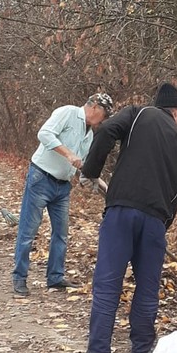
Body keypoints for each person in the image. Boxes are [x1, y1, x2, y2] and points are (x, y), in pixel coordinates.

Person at [77, 82, 177, 353]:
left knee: (108, 280)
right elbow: (176, 188)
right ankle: (141, 350)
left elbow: (104, 132)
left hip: (122, 210)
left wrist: (91, 170)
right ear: (176, 112)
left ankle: (99, 350)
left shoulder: (138, 114)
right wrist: (165, 223)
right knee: (148, 287)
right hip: (155, 219)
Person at [12, 93, 113, 297]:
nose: (103, 119)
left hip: (63, 186)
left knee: (61, 233)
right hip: (41, 178)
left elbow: (83, 167)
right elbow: (45, 134)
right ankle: (20, 277)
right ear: (93, 106)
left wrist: (103, 185)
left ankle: (55, 277)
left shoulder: (89, 134)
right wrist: (68, 154)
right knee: (28, 230)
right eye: (104, 113)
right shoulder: (67, 113)